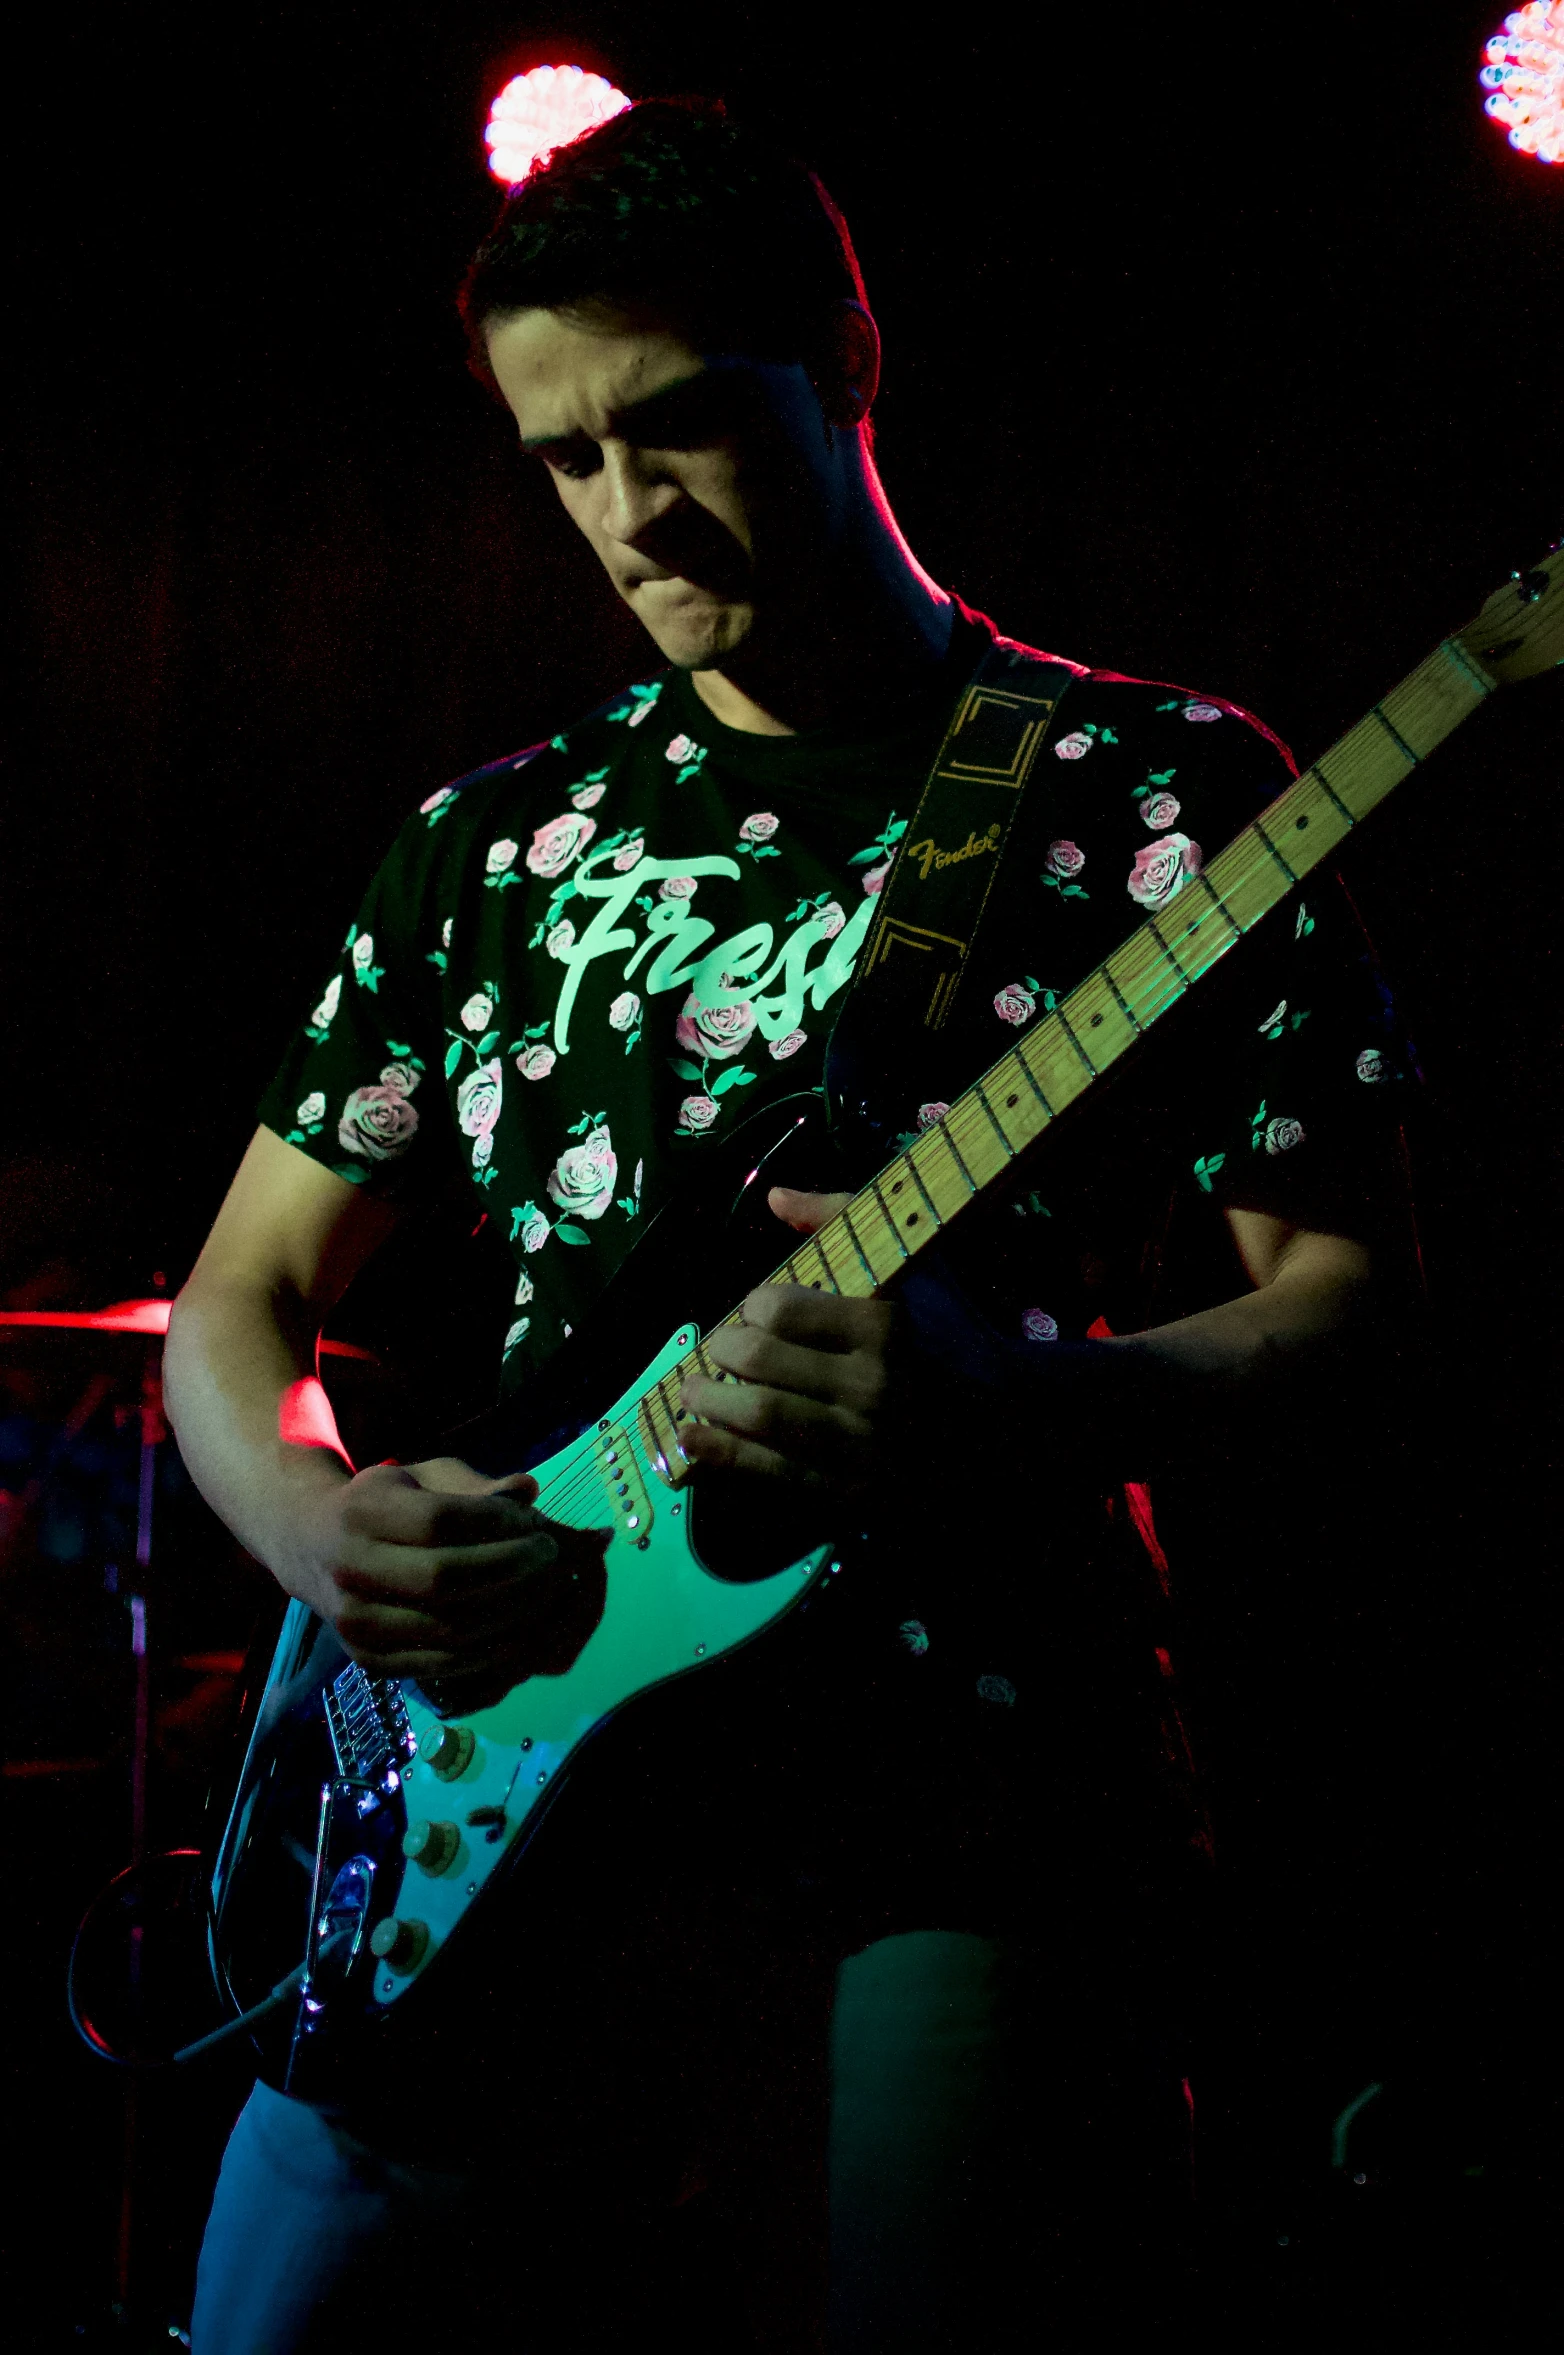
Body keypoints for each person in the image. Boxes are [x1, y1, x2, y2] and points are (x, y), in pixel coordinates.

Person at [166, 98, 1412, 2351]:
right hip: (507, 1755)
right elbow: (238, 1297)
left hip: (959, 1774)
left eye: (678, 427)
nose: (627, 516)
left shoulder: (1155, 797)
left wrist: (1027, 1396)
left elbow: (1350, 1310)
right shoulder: (498, 837)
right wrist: (320, 1529)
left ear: (843, 356)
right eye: (563, 460)